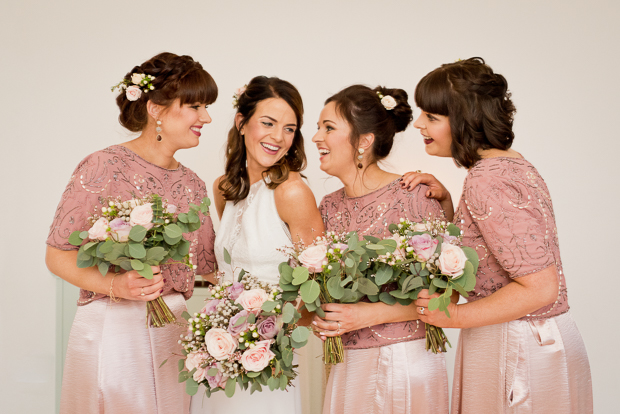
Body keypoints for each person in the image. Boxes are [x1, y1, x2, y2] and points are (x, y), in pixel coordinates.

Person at [402, 57, 593, 413]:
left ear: (462, 119)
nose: (419, 124)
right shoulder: (513, 165)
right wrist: (447, 205)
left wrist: (453, 318)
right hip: (535, 339)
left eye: (431, 116)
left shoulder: (487, 177)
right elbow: (493, 255)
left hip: (519, 343)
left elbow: (540, 287)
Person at [45, 52, 218, 414]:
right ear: (155, 108)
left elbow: (209, 270)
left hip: (173, 331)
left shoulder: (194, 185)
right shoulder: (102, 166)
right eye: (195, 106)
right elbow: (57, 255)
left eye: (206, 107)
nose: (206, 117)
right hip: (112, 328)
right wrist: (117, 287)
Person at [312, 85, 450, 414]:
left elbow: (446, 296)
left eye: (328, 128)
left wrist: (366, 314)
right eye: (318, 127)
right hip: (346, 363)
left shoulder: (412, 194)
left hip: (404, 362)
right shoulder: (328, 207)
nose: (317, 137)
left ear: (363, 141)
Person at [190, 76, 324, 413]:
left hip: (267, 357)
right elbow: (227, 273)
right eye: (268, 123)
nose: (278, 137)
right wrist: (222, 338)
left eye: (290, 129)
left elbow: (319, 288)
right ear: (241, 122)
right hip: (219, 354)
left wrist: (267, 334)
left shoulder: (292, 193)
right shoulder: (224, 189)